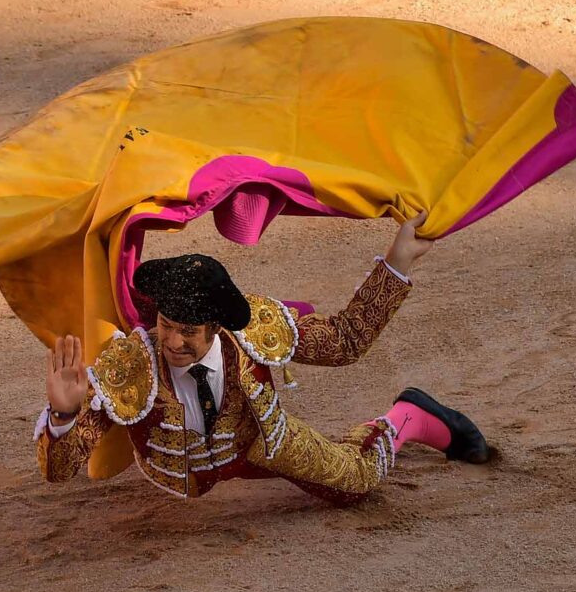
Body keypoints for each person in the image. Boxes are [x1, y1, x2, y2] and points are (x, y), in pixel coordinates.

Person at [34, 213, 490, 502]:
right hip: (182, 474)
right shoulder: (130, 365)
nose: (172, 342)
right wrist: (63, 414)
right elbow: (58, 473)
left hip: (261, 440)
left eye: (188, 332)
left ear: (217, 328)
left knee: (358, 480)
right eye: (166, 325)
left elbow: (346, 340)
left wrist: (398, 261)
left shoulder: (254, 327)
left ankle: (406, 416)